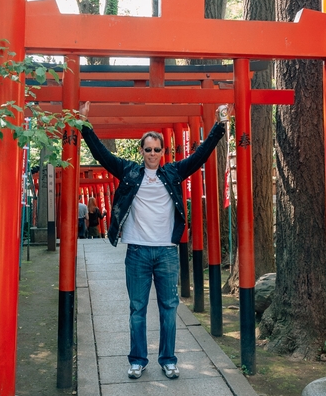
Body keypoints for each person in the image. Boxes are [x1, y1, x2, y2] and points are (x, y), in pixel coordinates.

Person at [78, 100, 232, 380]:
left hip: (166, 253)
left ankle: (168, 359)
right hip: (136, 251)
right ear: (141, 151)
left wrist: (219, 127)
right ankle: (137, 360)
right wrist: (84, 123)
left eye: (156, 149)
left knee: (169, 309)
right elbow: (101, 154)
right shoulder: (128, 172)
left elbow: (200, 156)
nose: (152, 153)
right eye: (147, 149)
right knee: (137, 308)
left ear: (163, 152)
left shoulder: (172, 173)